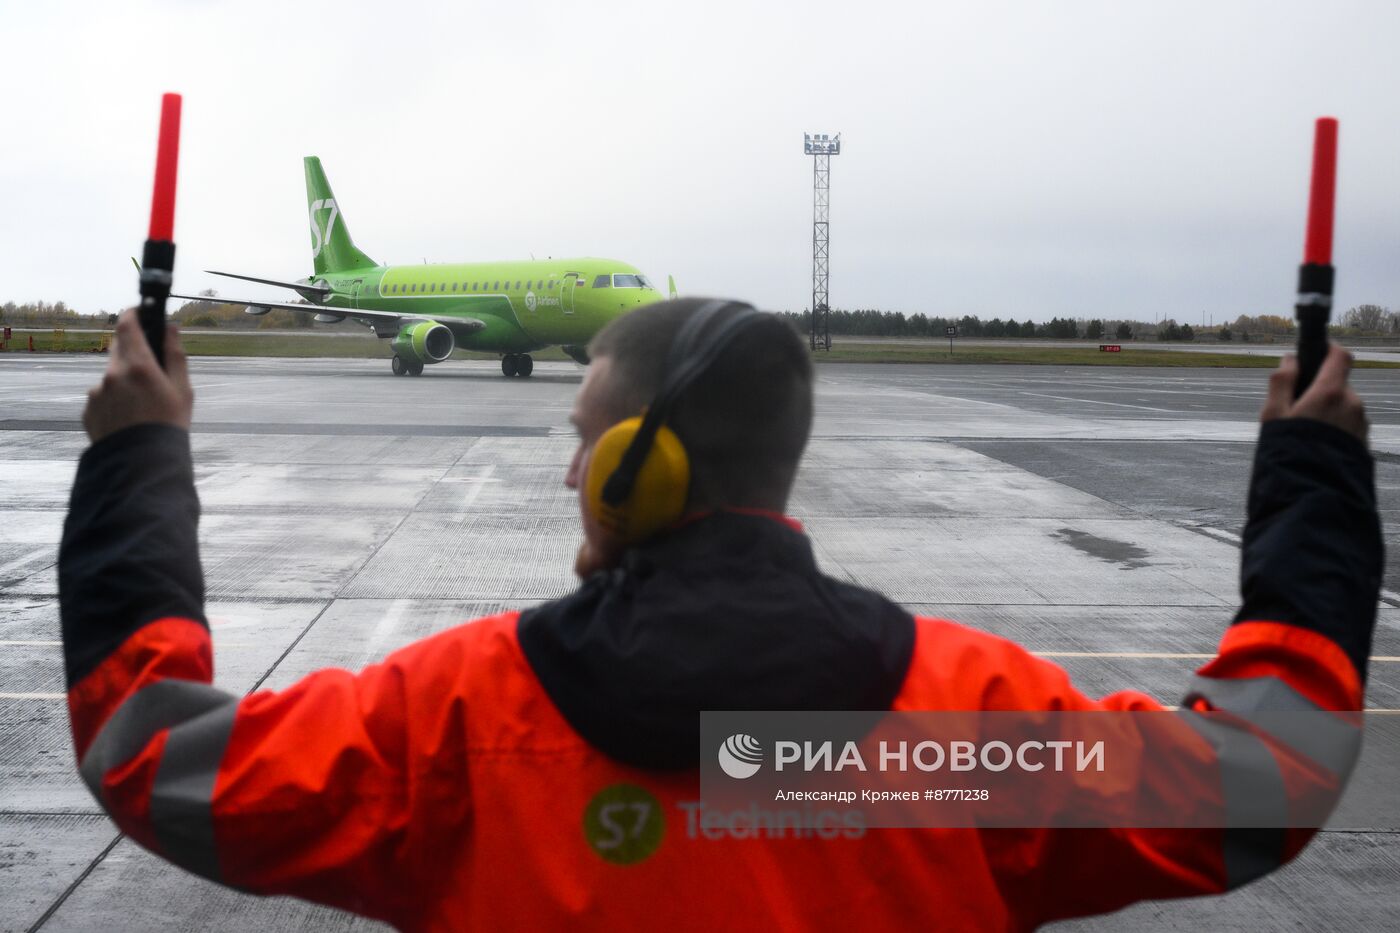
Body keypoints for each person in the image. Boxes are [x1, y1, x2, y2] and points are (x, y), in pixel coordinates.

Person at [60, 300, 1379, 931]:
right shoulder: (969, 725)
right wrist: (1311, 483)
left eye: (587, 440)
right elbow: (1270, 774)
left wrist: (135, 456)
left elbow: (145, 750)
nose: (570, 472)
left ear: (652, 467)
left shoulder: (456, 719)